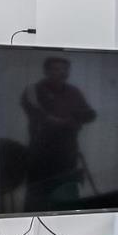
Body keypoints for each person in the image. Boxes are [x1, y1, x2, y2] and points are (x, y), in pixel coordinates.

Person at [21, 57, 96, 211]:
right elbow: (40, 116)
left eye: (64, 69)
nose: (61, 73)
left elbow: (90, 114)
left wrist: (77, 117)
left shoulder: (73, 92)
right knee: (37, 201)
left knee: (67, 200)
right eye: (56, 69)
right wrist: (67, 122)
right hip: (40, 155)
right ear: (46, 71)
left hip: (67, 155)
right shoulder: (33, 90)